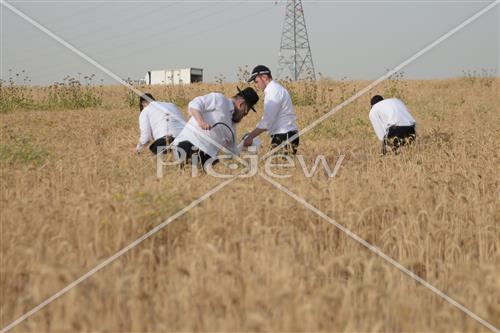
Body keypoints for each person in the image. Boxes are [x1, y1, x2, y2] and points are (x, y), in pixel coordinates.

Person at [172, 87, 259, 168]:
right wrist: (201, 121)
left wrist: (245, 144)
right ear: (241, 104)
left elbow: (233, 153)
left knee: (212, 165)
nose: (245, 114)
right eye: (246, 110)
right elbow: (194, 104)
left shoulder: (232, 128)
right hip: (187, 145)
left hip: (205, 158)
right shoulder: (219, 100)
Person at [243, 65, 299, 155]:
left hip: (284, 136)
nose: (256, 85)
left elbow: (267, 121)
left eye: (256, 81)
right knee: (277, 166)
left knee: (276, 166)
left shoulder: (273, 91)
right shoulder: (276, 89)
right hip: (285, 135)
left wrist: (250, 136)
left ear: (264, 77)